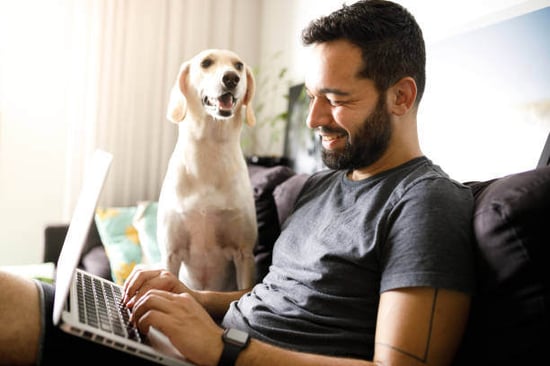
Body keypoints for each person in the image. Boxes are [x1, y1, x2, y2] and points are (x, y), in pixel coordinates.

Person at [0, 1, 475, 365]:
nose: (312, 118)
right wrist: (191, 299)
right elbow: (273, 298)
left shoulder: (424, 201)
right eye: (312, 97)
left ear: (402, 96)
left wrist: (225, 350)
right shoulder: (317, 189)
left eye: (334, 98)